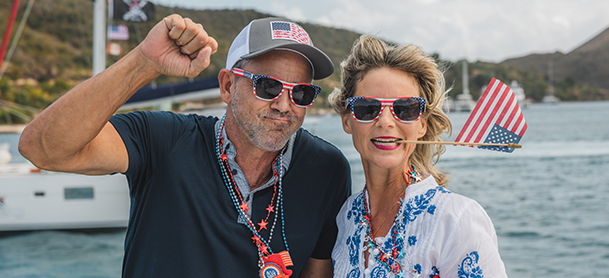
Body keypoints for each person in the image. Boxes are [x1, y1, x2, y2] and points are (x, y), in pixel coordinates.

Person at [19, 15, 351, 277]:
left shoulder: (326, 167)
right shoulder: (163, 139)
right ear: (227, 86)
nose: (284, 104)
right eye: (267, 86)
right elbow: (43, 148)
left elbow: (317, 272)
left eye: (301, 93)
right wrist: (144, 63)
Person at [328, 35, 507, 278]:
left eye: (404, 109)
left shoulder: (456, 220)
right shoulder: (345, 218)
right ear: (347, 119)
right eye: (368, 108)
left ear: (421, 124)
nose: (386, 122)